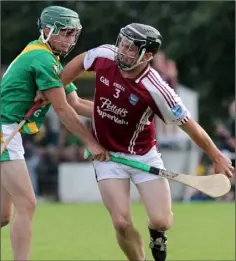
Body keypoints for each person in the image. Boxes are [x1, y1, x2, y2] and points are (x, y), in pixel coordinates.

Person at [60, 23, 234, 261]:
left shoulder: (157, 90)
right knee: (121, 222)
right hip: (107, 156)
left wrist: (217, 156)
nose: (123, 51)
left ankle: (157, 234)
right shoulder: (105, 55)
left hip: (143, 155)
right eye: (123, 43)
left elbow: (190, 126)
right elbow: (81, 61)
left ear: (148, 56)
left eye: (132, 49)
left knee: (163, 220)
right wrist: (57, 86)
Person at [0, 5, 109, 261]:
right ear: (47, 30)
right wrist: (92, 143)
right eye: (66, 33)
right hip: (4, 131)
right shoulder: (43, 59)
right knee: (27, 204)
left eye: (74, 34)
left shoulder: (50, 60)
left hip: (9, 132)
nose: (71, 40)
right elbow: (62, 110)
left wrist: (119, 113)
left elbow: (77, 104)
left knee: (4, 215)